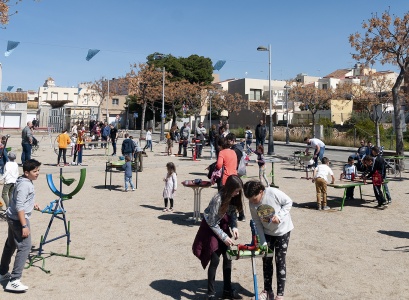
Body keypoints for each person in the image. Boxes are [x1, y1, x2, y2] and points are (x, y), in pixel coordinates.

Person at [192, 175, 244, 300]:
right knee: (215, 260)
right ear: (230, 189)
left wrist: (234, 227)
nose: (237, 194)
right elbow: (211, 222)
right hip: (212, 229)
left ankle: (227, 290)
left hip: (223, 227)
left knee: (228, 258)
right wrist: (224, 236)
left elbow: (232, 214)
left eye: (238, 191)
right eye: (236, 191)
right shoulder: (218, 199)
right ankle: (210, 294)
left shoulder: (233, 197)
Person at [243, 180, 294, 300]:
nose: (252, 202)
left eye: (254, 199)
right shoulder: (252, 203)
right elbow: (257, 222)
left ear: (261, 192)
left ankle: (280, 295)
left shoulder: (273, 193)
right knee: (266, 261)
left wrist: (279, 217)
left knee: (280, 260)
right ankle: (267, 291)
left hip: (283, 231)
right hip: (267, 233)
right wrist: (263, 241)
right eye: (250, 199)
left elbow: (288, 202)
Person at [0, 159, 41, 292]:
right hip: (18, 220)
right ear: (26, 172)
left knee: (11, 244)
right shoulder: (25, 185)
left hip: (12, 217)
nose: (37, 173)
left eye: (38, 170)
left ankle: (2, 272)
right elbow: (19, 206)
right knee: (25, 247)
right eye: (35, 171)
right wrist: (24, 225)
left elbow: (19, 199)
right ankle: (14, 280)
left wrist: (32, 204)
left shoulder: (23, 181)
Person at [226, 133, 246, 222]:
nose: (227, 142)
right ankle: (241, 214)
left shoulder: (235, 150)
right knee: (237, 195)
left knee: (234, 195)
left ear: (233, 140)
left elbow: (234, 162)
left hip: (235, 172)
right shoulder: (238, 148)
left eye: (229, 141)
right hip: (236, 173)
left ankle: (238, 214)